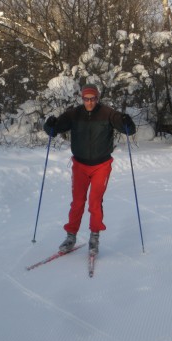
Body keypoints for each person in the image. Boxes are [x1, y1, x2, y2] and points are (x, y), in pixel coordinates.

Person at [44, 83, 136, 256]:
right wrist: (50, 125)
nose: (89, 102)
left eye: (92, 98)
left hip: (101, 165)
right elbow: (53, 130)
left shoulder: (107, 113)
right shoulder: (74, 114)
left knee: (95, 201)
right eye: (86, 99)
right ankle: (71, 236)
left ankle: (94, 236)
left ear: (97, 98)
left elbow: (128, 130)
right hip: (80, 165)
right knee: (77, 202)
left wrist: (127, 123)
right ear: (82, 98)